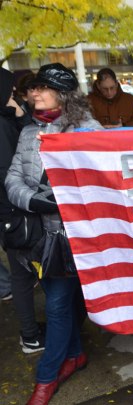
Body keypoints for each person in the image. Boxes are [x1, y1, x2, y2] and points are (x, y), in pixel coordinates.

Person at [5, 63, 104, 405]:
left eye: (41, 88)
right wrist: (35, 202)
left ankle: (45, 379)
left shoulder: (90, 132)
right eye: (32, 88)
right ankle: (74, 357)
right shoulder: (28, 133)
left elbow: (106, 184)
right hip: (43, 241)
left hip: (82, 238)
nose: (32, 93)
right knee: (62, 304)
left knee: (61, 306)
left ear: (62, 94)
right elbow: (12, 181)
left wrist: (65, 203)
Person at [0, 67, 44, 353]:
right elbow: (10, 171)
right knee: (24, 275)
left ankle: (30, 333)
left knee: (22, 275)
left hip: (10, 213)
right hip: (14, 213)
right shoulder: (2, 125)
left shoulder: (7, 120)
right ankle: (30, 335)